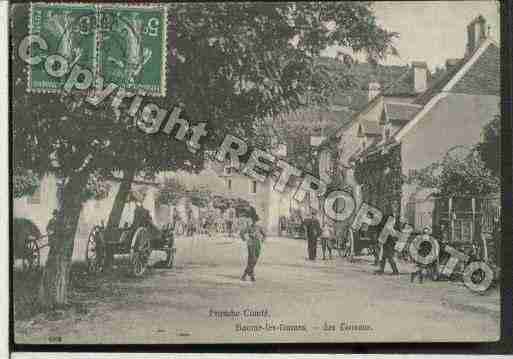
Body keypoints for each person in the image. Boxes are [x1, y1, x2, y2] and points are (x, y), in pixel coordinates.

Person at [240, 209, 266, 282]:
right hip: (251, 243)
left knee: (254, 260)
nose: (254, 221)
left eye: (255, 220)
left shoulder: (259, 227)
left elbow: (264, 234)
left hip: (257, 243)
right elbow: (242, 233)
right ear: (252, 220)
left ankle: (250, 274)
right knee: (253, 259)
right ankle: (245, 275)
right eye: (253, 220)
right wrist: (245, 239)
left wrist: (263, 239)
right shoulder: (249, 227)